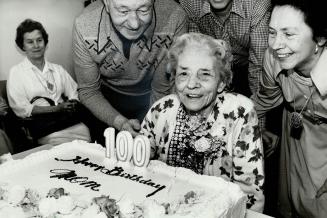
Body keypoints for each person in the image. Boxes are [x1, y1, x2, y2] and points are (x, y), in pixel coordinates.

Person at [141, 33, 264, 212]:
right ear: (174, 77)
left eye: (204, 75)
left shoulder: (240, 113)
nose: (191, 84)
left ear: (221, 83)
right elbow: (137, 169)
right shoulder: (162, 110)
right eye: (184, 73)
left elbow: (250, 195)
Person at [253, 0, 327, 216]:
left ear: (320, 38)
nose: (276, 44)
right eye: (272, 32)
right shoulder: (275, 57)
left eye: (288, 34)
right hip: (296, 136)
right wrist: (251, 130)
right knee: (292, 200)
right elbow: (264, 101)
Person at [73, 0, 187, 139]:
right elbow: (89, 91)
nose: (135, 24)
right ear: (107, 3)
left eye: (144, 10)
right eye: (123, 11)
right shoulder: (84, 25)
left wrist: (148, 130)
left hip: (153, 99)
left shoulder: (175, 16)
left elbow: (161, 88)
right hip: (105, 101)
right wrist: (120, 122)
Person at [7, 19, 90, 146]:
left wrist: (72, 103)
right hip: (45, 129)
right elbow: (21, 109)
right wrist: (56, 108)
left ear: (45, 42)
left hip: (70, 122)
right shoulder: (16, 72)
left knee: (87, 143)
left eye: (39, 40)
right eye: (30, 42)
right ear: (22, 46)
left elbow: (75, 92)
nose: (36, 45)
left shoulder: (58, 69)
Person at [179, 0, 271, 97]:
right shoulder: (189, 3)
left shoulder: (257, 4)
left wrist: (255, 107)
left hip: (247, 65)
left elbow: (258, 65)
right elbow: (196, 59)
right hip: (212, 66)